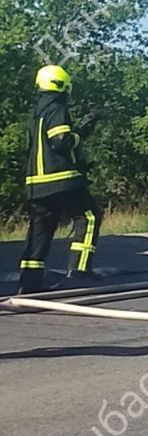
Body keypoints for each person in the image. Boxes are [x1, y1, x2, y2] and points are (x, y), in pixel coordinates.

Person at [19, 65, 104, 294]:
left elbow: (46, 146)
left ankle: (30, 281)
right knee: (89, 217)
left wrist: (80, 155)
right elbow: (61, 141)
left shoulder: (36, 112)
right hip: (61, 179)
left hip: (37, 183)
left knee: (41, 229)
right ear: (62, 85)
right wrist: (79, 135)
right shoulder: (56, 107)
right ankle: (79, 271)